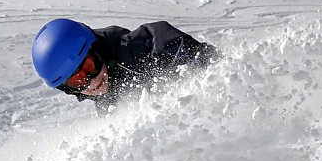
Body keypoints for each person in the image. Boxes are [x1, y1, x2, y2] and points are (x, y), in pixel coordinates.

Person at [32, 19, 217, 110]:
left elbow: (215, 67)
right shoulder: (106, 99)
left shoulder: (146, 48)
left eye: (90, 67)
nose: (92, 82)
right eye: (77, 82)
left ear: (98, 50)